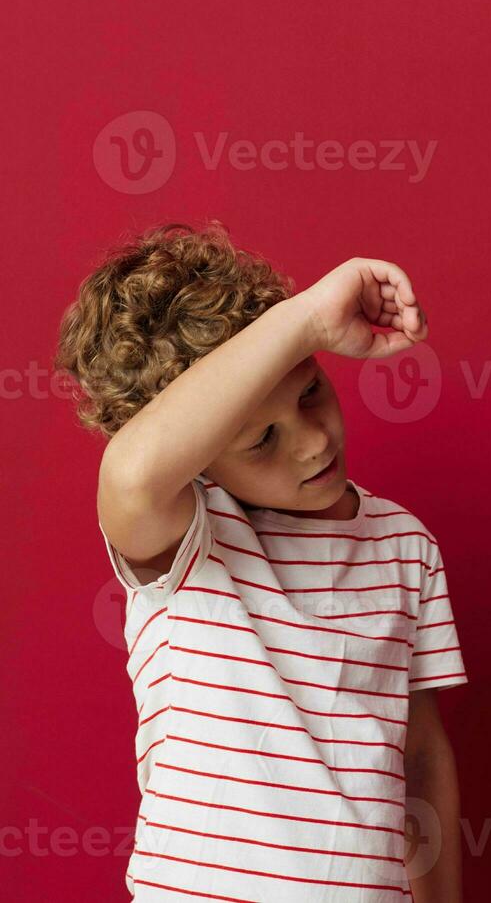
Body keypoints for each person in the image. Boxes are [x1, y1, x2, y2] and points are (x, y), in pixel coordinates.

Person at [55, 226, 466, 902]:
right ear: (204, 453)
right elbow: (131, 475)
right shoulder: (188, 541)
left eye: (309, 393)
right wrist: (303, 317)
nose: (311, 443)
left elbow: (419, 758)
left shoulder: (405, 546)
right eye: (260, 439)